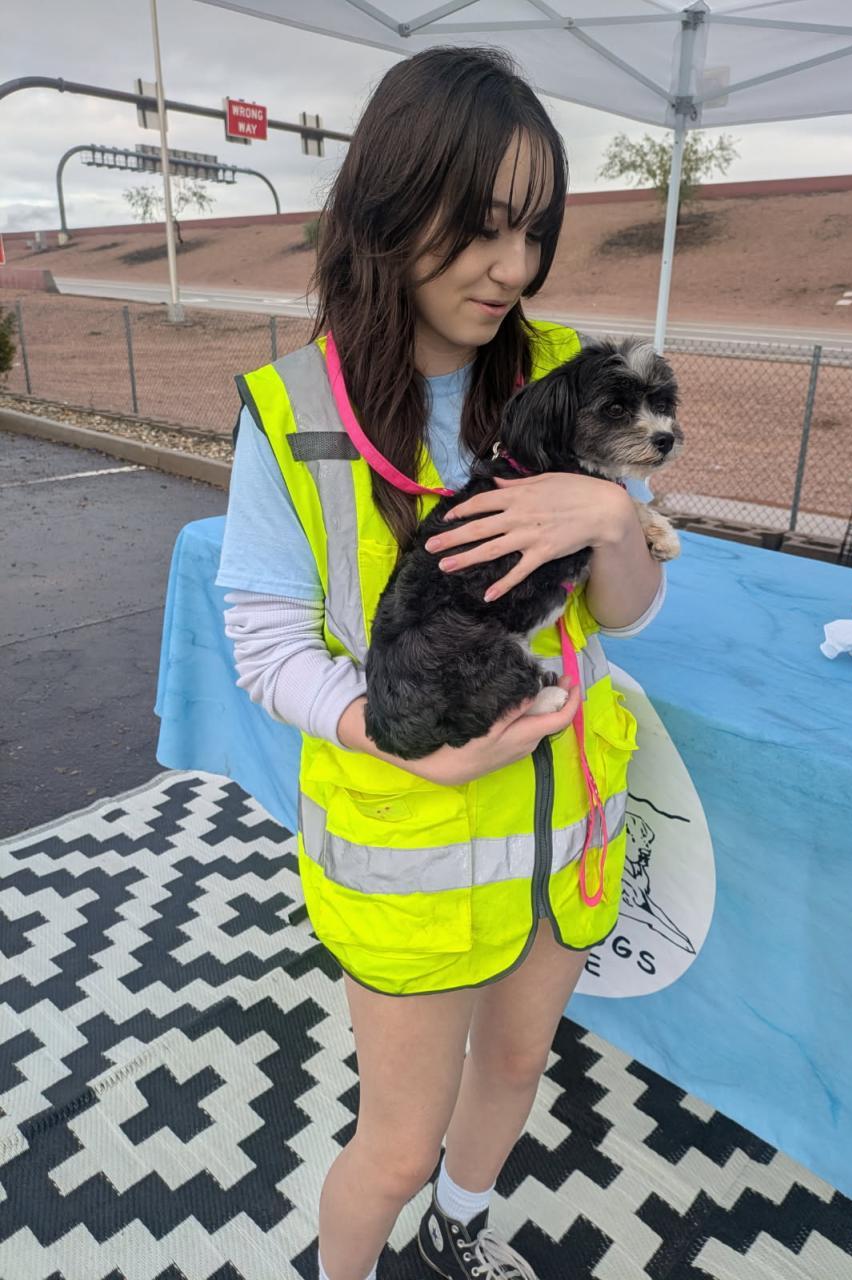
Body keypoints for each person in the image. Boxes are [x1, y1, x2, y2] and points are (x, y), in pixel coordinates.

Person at [216, 45, 667, 1280]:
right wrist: (397, 738)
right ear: (390, 200)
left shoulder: (569, 371)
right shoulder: (295, 410)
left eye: (534, 231)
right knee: (398, 1142)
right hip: (411, 843)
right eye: (481, 226)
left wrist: (611, 517)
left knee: (516, 1064)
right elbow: (266, 644)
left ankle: (460, 1227)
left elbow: (624, 614)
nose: (512, 268)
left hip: (566, 820)